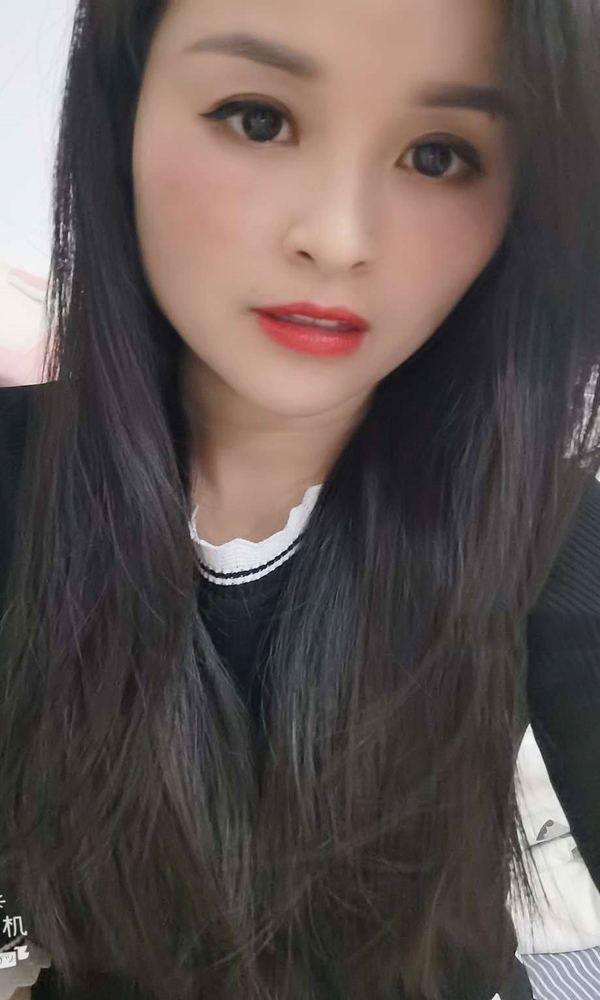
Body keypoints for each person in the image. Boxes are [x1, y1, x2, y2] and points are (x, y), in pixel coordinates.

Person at [0, 0, 599, 997]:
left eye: (439, 155)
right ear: (126, 107)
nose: (337, 236)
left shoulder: (552, 521)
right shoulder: (19, 477)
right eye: (259, 118)